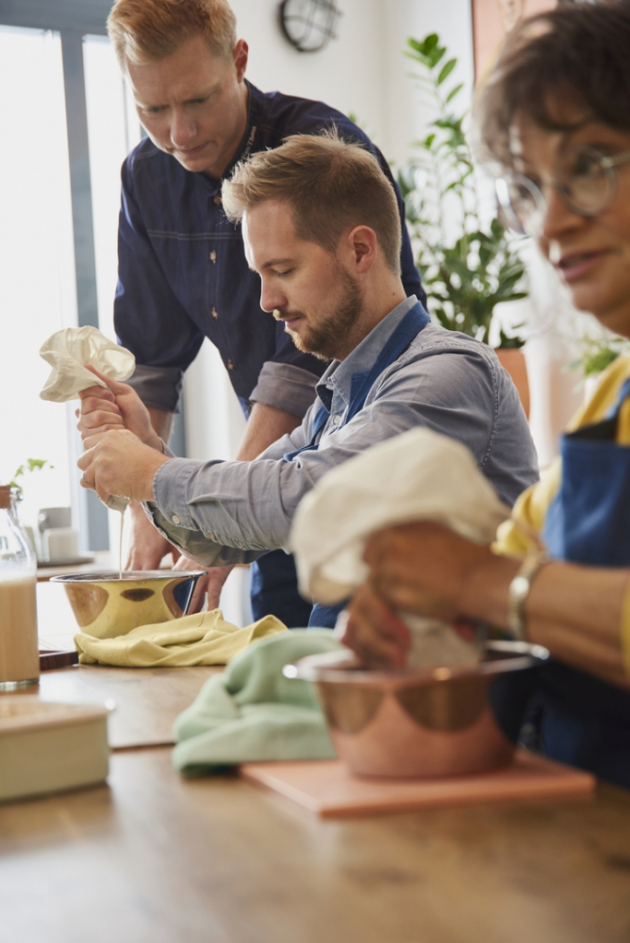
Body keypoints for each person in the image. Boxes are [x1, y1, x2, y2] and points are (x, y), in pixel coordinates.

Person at [77, 131, 538, 628]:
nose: (266, 301)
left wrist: (148, 471)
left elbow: (307, 500)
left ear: (361, 250)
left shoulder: (445, 374)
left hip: (452, 696)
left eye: (284, 270)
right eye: (260, 275)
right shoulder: (339, 394)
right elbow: (231, 534)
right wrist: (147, 447)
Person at [340, 1, 630, 788]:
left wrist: (474, 582)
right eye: (532, 190)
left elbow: (495, 575)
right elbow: (516, 554)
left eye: (591, 165)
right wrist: (418, 604)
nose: (553, 225)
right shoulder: (611, 402)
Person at [106, 0, 425, 626]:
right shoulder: (146, 178)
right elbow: (151, 360)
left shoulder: (317, 152)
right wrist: (147, 510)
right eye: (152, 110)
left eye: (196, 101)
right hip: (283, 458)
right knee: (282, 648)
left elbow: (300, 375)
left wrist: (209, 516)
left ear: (239, 60)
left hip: (365, 467)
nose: (179, 133)